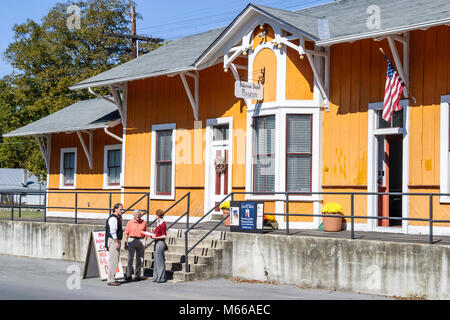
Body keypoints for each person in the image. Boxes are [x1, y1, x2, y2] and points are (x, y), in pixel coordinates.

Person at [123, 210, 148, 281]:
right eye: (136, 214)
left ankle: (137, 275)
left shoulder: (144, 222)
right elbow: (126, 233)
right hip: (131, 240)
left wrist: (145, 240)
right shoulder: (130, 222)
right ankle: (128, 275)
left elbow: (146, 231)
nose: (138, 216)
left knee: (140, 259)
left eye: (139, 214)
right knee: (130, 258)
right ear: (133, 215)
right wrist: (125, 242)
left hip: (140, 240)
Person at [105, 203, 124, 286]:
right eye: (120, 209)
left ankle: (111, 278)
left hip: (115, 240)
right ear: (115, 209)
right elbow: (113, 231)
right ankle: (111, 280)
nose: (122, 211)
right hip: (113, 240)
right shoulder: (113, 218)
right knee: (113, 260)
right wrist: (116, 242)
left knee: (114, 260)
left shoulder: (117, 218)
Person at [150, 209, 167, 283]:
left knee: (160, 261)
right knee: (156, 260)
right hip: (157, 242)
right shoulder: (158, 222)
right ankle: (156, 277)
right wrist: (153, 232)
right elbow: (158, 233)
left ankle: (161, 277)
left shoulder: (163, 224)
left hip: (160, 242)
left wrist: (156, 237)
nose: (155, 216)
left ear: (158, 215)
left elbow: (164, 236)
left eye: (155, 214)